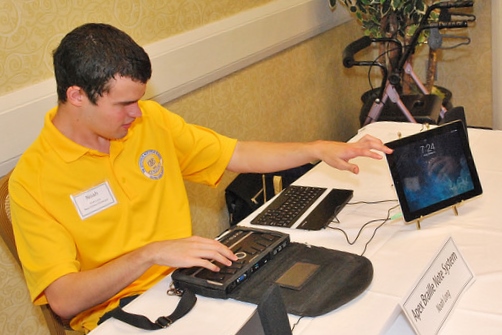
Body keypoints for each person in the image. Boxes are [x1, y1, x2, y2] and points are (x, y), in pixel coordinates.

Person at [8, 23, 392, 333]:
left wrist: (316, 149)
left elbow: (235, 153)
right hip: (125, 316)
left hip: (194, 283)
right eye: (124, 103)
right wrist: (150, 254)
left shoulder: (149, 123)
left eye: (139, 100)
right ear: (76, 96)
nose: (137, 114)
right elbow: (63, 299)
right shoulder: (33, 180)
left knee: (327, 306)